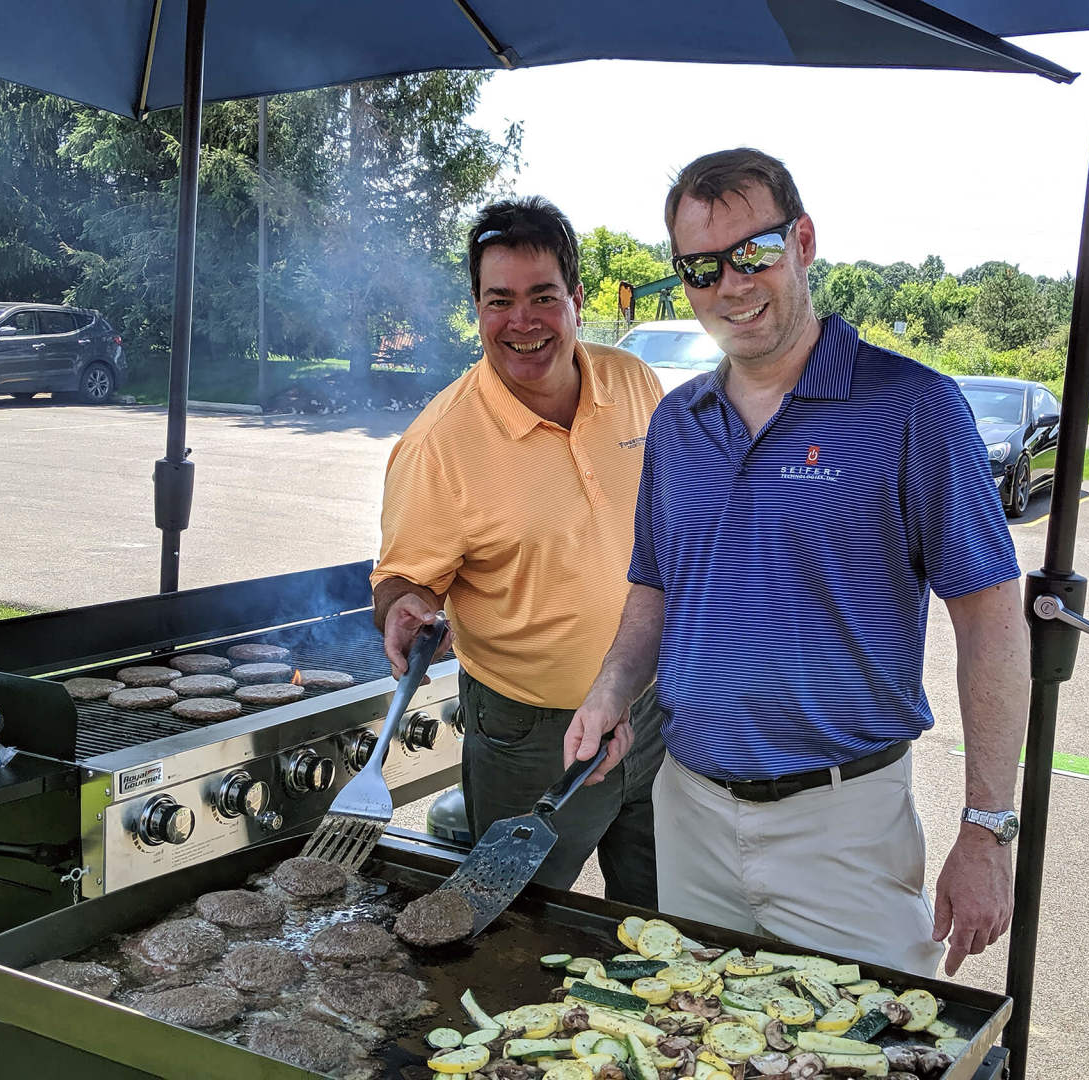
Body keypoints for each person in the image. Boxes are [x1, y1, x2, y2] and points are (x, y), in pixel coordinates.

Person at [564, 149, 1030, 977]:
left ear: (803, 242)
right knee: (704, 1046)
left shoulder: (912, 406)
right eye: (701, 269)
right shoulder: (679, 424)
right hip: (690, 807)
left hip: (843, 825)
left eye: (753, 252)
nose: (731, 286)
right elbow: (656, 587)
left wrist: (988, 826)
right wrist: (610, 691)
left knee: (878, 1056)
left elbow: (991, 620)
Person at [372, 196, 665, 906]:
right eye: (499, 300)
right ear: (476, 306)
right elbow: (406, 577)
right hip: (531, 735)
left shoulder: (632, 382)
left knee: (664, 907)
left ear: (578, 300)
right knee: (515, 918)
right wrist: (406, 608)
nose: (522, 322)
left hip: (653, 709)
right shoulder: (440, 442)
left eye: (544, 297)